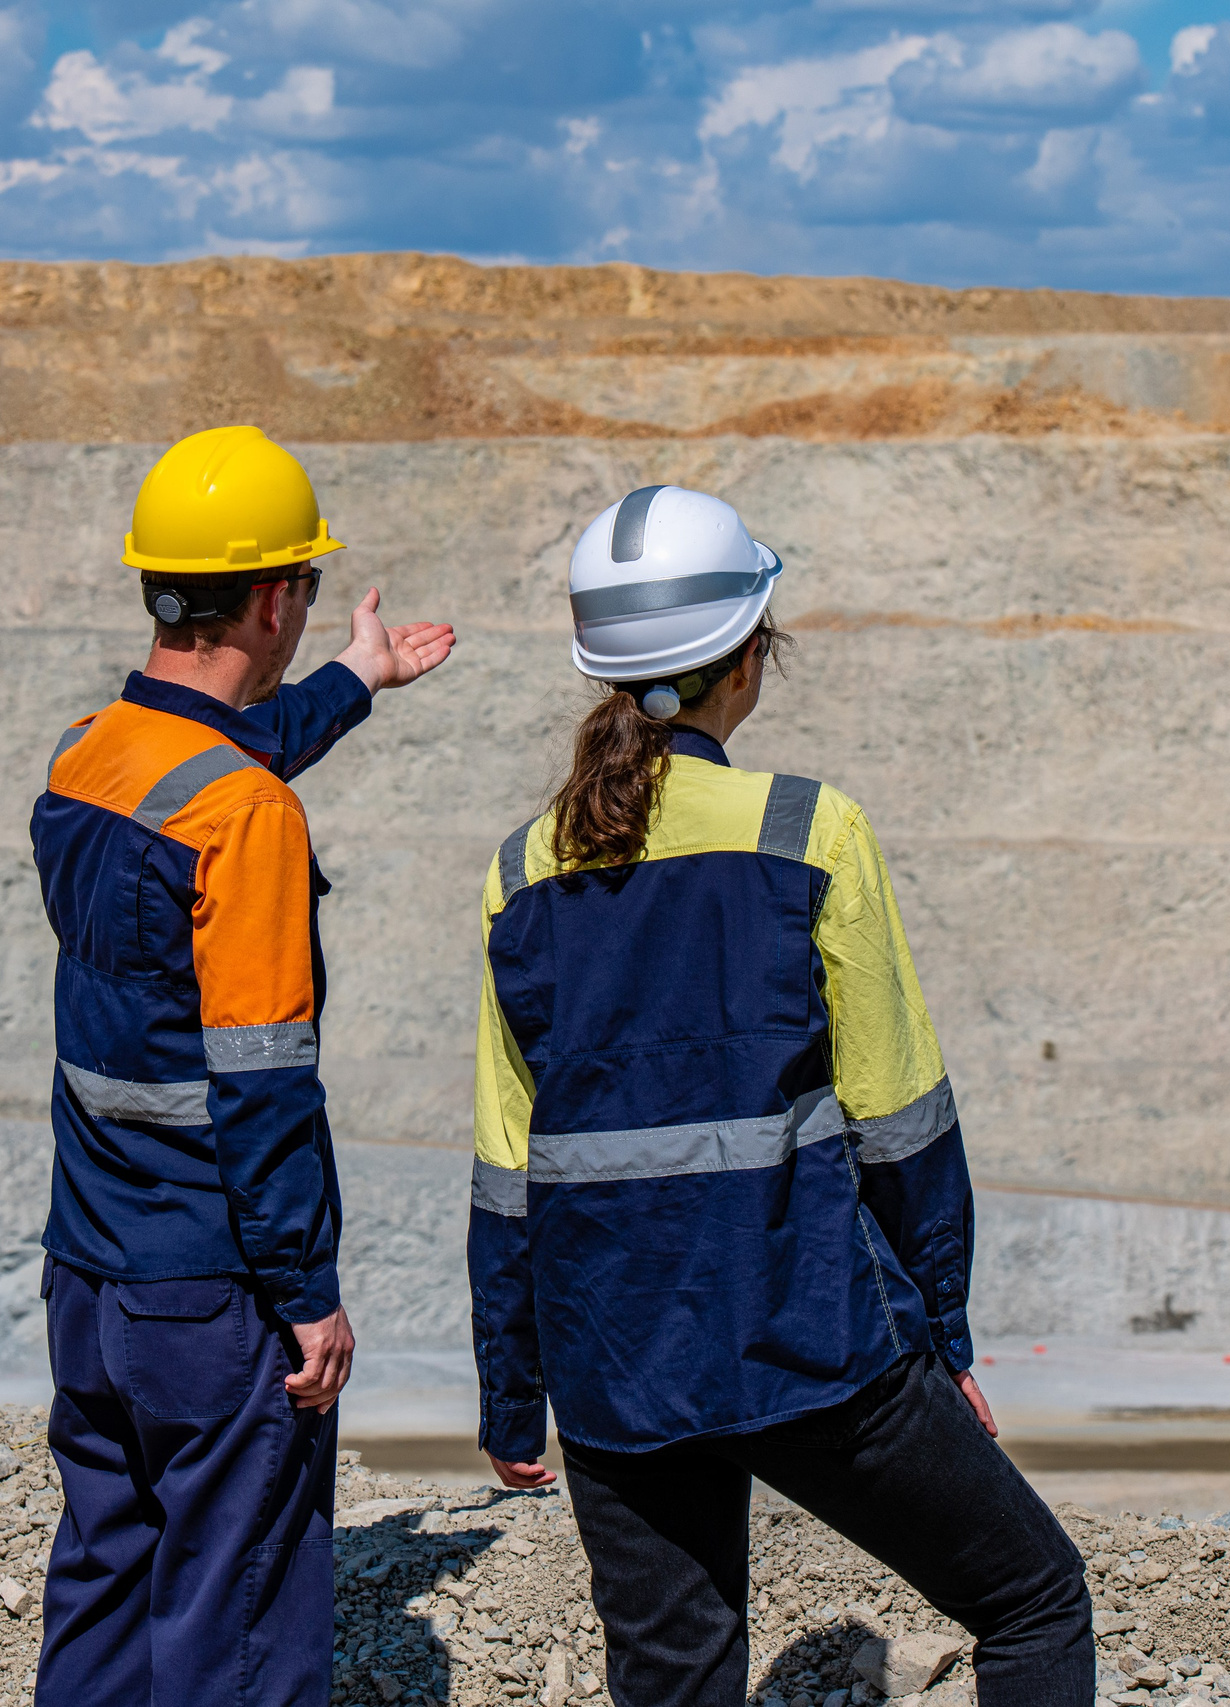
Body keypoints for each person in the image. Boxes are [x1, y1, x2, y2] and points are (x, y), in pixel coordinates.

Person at [466, 484, 1093, 1707]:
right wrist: (944, 1336)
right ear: (746, 656)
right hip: (809, 1342)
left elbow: (508, 1166)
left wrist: (511, 1389)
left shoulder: (520, 871)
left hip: (613, 1365)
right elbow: (900, 1121)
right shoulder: (810, 833)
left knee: (678, 1677)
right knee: (1032, 1601)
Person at [29, 425, 455, 1705]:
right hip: (211, 1297)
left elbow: (202, 759)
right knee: (242, 1623)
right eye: (307, 591)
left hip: (89, 1283)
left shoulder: (87, 754)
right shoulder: (249, 820)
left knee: (105, 1581)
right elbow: (265, 1089)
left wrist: (354, 682)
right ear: (275, 599)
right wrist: (307, 1293)